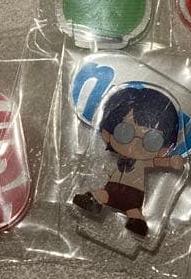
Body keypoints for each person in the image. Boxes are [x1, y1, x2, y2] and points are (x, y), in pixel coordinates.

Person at [72, 86, 183, 237]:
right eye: (124, 132)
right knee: (103, 195)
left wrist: (171, 162)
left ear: (164, 148)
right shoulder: (119, 156)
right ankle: (92, 202)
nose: (135, 143)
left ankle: (137, 222)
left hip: (133, 194)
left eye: (152, 140)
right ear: (108, 132)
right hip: (112, 189)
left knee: (133, 209)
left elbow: (159, 162)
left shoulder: (145, 161)